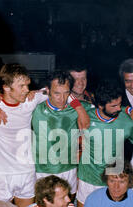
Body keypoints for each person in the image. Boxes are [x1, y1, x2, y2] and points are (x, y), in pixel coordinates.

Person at [0, 63, 88, 207]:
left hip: (27, 170)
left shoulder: (30, 100)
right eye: (22, 86)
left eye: (27, 85)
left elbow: (58, 92)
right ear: (6, 87)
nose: (27, 90)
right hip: (1, 173)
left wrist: (79, 108)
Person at [76, 79, 133, 207]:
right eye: (114, 106)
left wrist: (129, 108)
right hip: (87, 178)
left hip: (112, 180)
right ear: (101, 105)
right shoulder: (86, 115)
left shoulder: (127, 121)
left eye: (120, 104)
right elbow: (66, 97)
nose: (118, 108)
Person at [32, 70, 93, 199]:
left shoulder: (78, 108)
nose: (62, 99)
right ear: (47, 90)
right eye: (57, 93)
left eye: (66, 93)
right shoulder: (35, 108)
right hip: (43, 170)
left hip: (69, 169)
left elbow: (107, 109)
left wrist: (129, 110)